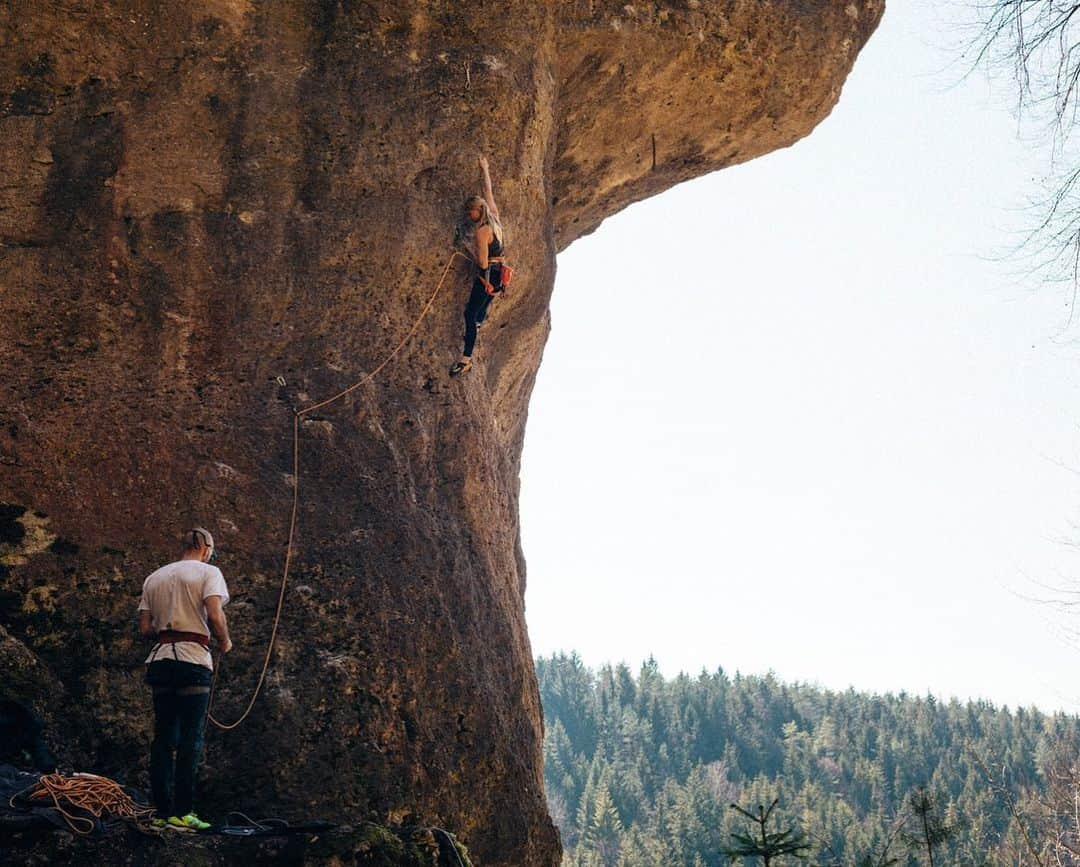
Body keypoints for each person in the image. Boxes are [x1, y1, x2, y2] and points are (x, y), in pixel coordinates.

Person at [137, 527, 231, 831]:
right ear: (205, 547)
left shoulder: (155, 577)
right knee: (192, 738)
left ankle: (162, 812)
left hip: (161, 660)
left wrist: (170, 626)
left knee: (164, 738)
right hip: (192, 660)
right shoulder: (209, 572)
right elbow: (215, 614)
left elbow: (145, 628)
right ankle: (183, 811)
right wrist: (225, 641)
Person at [450, 154, 506, 376]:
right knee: (480, 311)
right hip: (500, 274)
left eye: (470, 212)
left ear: (477, 211)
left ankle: (466, 360)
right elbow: (489, 193)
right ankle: (480, 324)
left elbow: (483, 261)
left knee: (469, 314)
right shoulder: (495, 217)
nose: (469, 215)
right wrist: (485, 169)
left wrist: (474, 261)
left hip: (489, 273)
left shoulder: (483, 231)